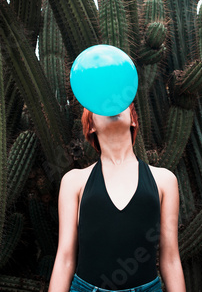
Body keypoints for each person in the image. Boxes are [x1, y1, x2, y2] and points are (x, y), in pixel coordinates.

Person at [48, 104, 186, 292]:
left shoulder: (164, 180)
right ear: (90, 126)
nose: (112, 103)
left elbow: (170, 258)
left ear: (134, 119)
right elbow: (65, 258)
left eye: (121, 101)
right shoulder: (74, 181)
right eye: (101, 103)